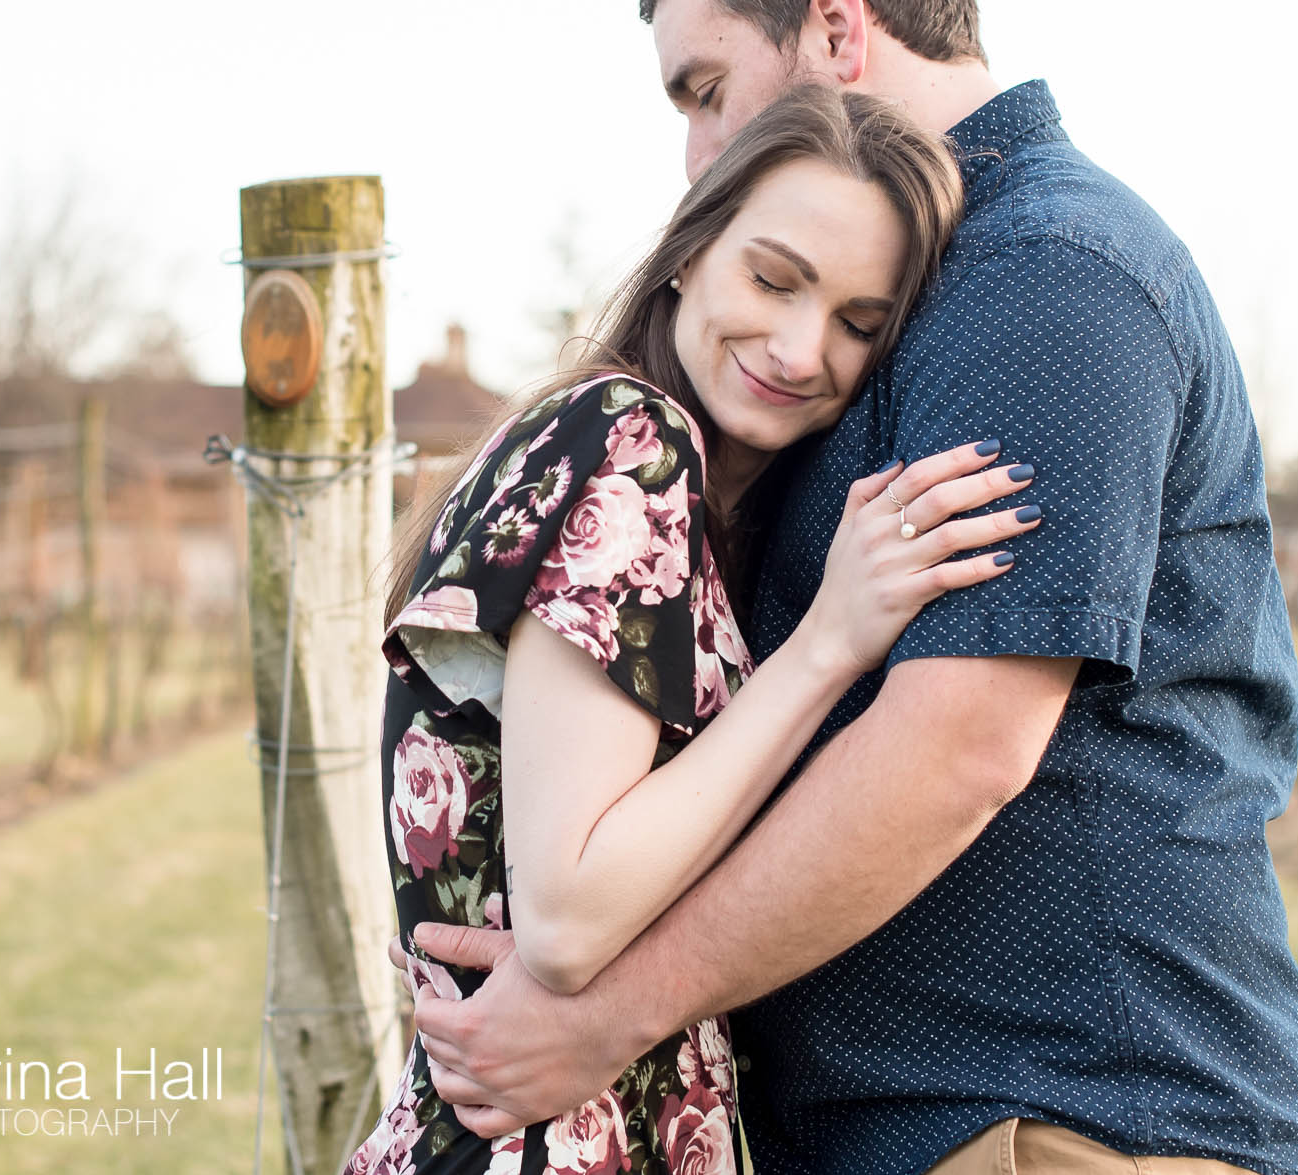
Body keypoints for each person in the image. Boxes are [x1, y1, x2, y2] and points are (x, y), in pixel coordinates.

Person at [404, 0, 1298, 1175]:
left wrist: (602, 1013)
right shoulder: (923, 297)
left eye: (707, 86)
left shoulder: (1044, 274)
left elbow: (955, 750)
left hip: (1054, 1118)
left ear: (837, 30)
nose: (694, 152)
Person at [344, 84, 1044, 1175]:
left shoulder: (677, 497)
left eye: (860, 322)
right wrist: (827, 644)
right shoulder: (630, 436)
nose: (802, 346)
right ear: (686, 253)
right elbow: (571, 917)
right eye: (772, 278)